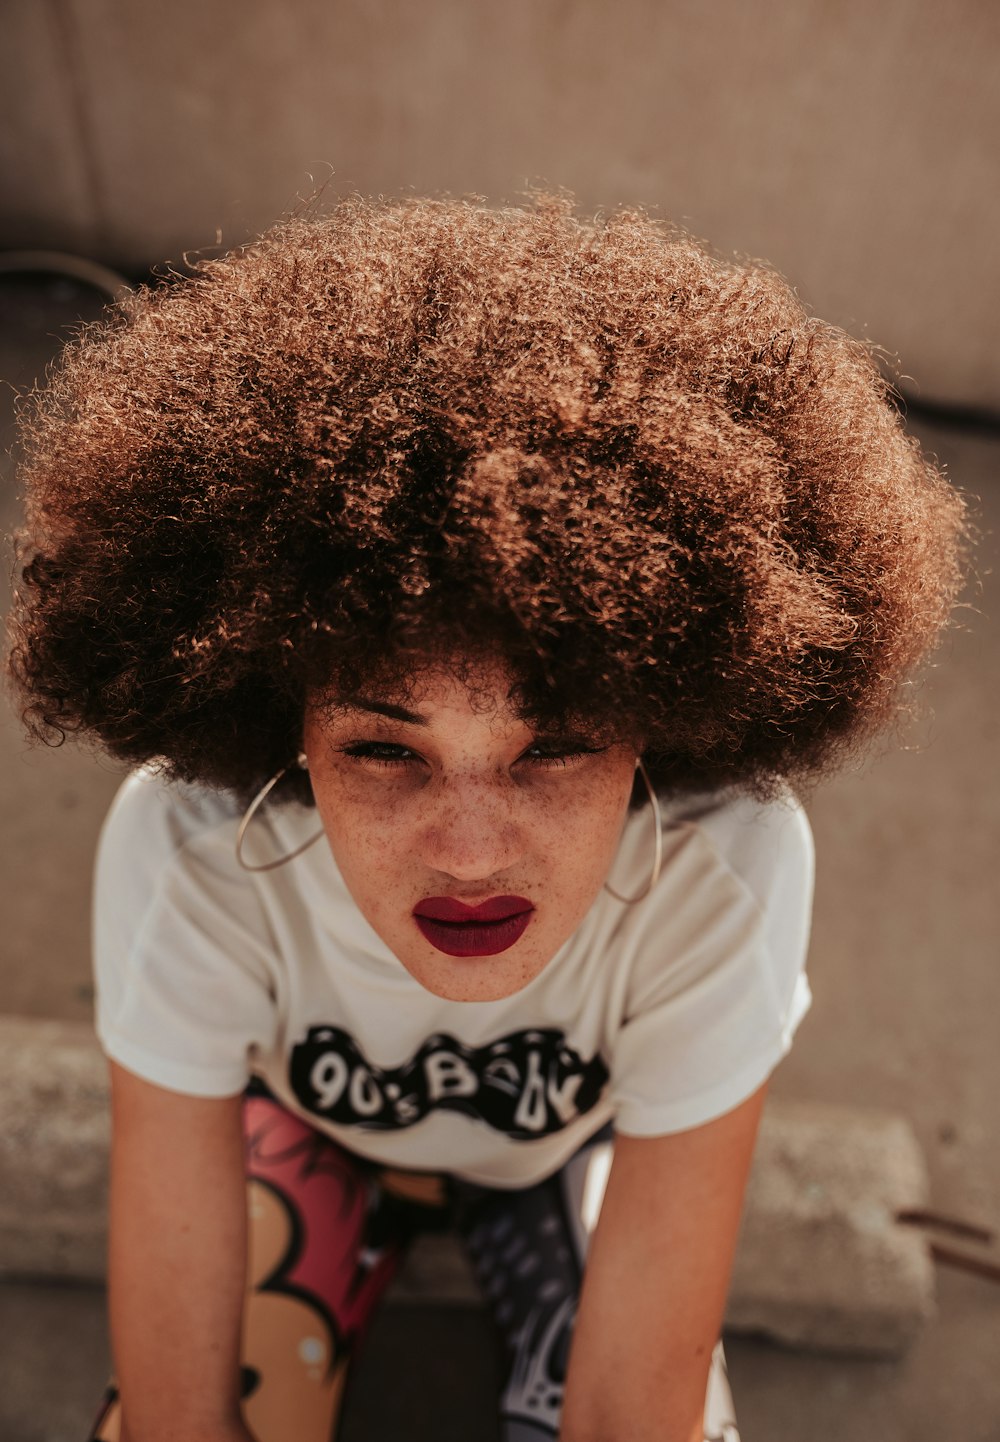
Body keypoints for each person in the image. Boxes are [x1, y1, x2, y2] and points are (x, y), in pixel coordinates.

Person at [7, 190, 969, 1442]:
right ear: (274, 721)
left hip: (566, 1164)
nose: (468, 850)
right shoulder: (189, 844)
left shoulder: (727, 862)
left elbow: (633, 1414)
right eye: (381, 748)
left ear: (660, 719)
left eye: (555, 745)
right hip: (299, 1143)